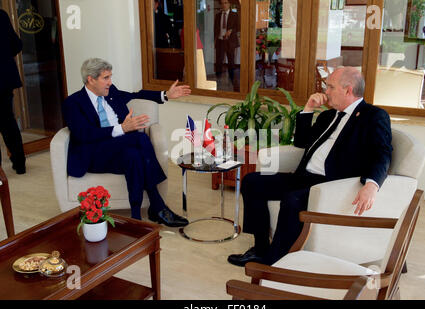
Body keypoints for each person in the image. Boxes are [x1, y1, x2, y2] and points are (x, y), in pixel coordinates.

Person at [228, 67, 393, 267]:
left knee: (292, 199)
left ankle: (275, 260)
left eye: (330, 87)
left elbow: (382, 153)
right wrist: (308, 108)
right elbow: (301, 142)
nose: (326, 92)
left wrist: (372, 185)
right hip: (303, 176)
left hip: (330, 184)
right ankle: (261, 248)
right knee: (252, 181)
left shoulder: (373, 116)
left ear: (348, 90)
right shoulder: (328, 116)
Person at [63, 58, 191, 227]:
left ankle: (136, 218)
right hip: (94, 154)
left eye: (110, 77)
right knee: (139, 138)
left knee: (134, 156)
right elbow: (84, 134)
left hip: (120, 149)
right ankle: (158, 206)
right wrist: (122, 129)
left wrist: (166, 95)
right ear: (91, 79)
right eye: (106, 78)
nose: (110, 82)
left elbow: (135, 95)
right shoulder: (73, 103)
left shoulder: (111, 92)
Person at [0, 9, 26, 174]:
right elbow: (17, 44)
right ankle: (19, 164)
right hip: (4, 77)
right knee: (8, 121)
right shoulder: (1, 15)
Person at [214, 0, 239, 88]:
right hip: (220, 41)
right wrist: (215, 40)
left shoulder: (234, 15)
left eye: (226, 3)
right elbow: (216, 29)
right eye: (222, 3)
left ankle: (232, 81)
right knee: (218, 62)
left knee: (231, 62)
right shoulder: (218, 15)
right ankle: (218, 81)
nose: (224, 5)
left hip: (230, 41)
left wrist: (231, 30)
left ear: (229, 4)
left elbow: (238, 27)